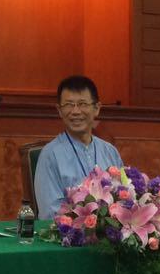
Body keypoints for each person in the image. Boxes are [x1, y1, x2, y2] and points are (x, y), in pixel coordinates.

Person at [33, 75, 123, 218]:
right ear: (59, 110)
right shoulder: (50, 155)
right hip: (69, 231)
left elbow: (123, 199)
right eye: (69, 105)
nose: (75, 111)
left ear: (97, 108)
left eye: (82, 104)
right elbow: (50, 214)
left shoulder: (110, 152)